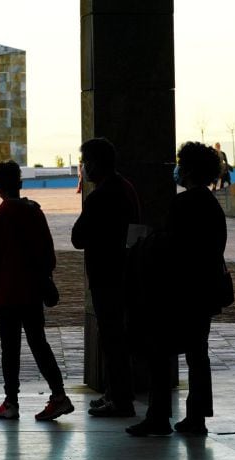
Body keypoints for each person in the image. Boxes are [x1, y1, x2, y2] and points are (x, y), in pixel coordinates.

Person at [125, 142, 227, 436]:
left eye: (181, 163)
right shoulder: (210, 203)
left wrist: (142, 244)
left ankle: (158, 416)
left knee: (160, 352)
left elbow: (170, 247)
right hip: (202, 291)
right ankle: (196, 416)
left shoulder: (184, 204)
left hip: (176, 292)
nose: (177, 169)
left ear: (190, 169)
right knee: (198, 354)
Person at [0, 160, 74, 421]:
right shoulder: (35, 213)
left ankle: (11, 402)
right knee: (39, 345)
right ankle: (58, 395)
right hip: (32, 293)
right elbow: (49, 257)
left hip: (6, 297)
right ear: (20, 184)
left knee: (9, 351)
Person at [71, 137, 140, 418]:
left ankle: (120, 399)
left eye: (85, 163)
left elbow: (78, 237)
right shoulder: (126, 188)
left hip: (106, 277)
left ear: (96, 164)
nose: (83, 169)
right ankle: (116, 393)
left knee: (112, 340)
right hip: (126, 273)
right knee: (119, 338)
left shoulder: (100, 196)